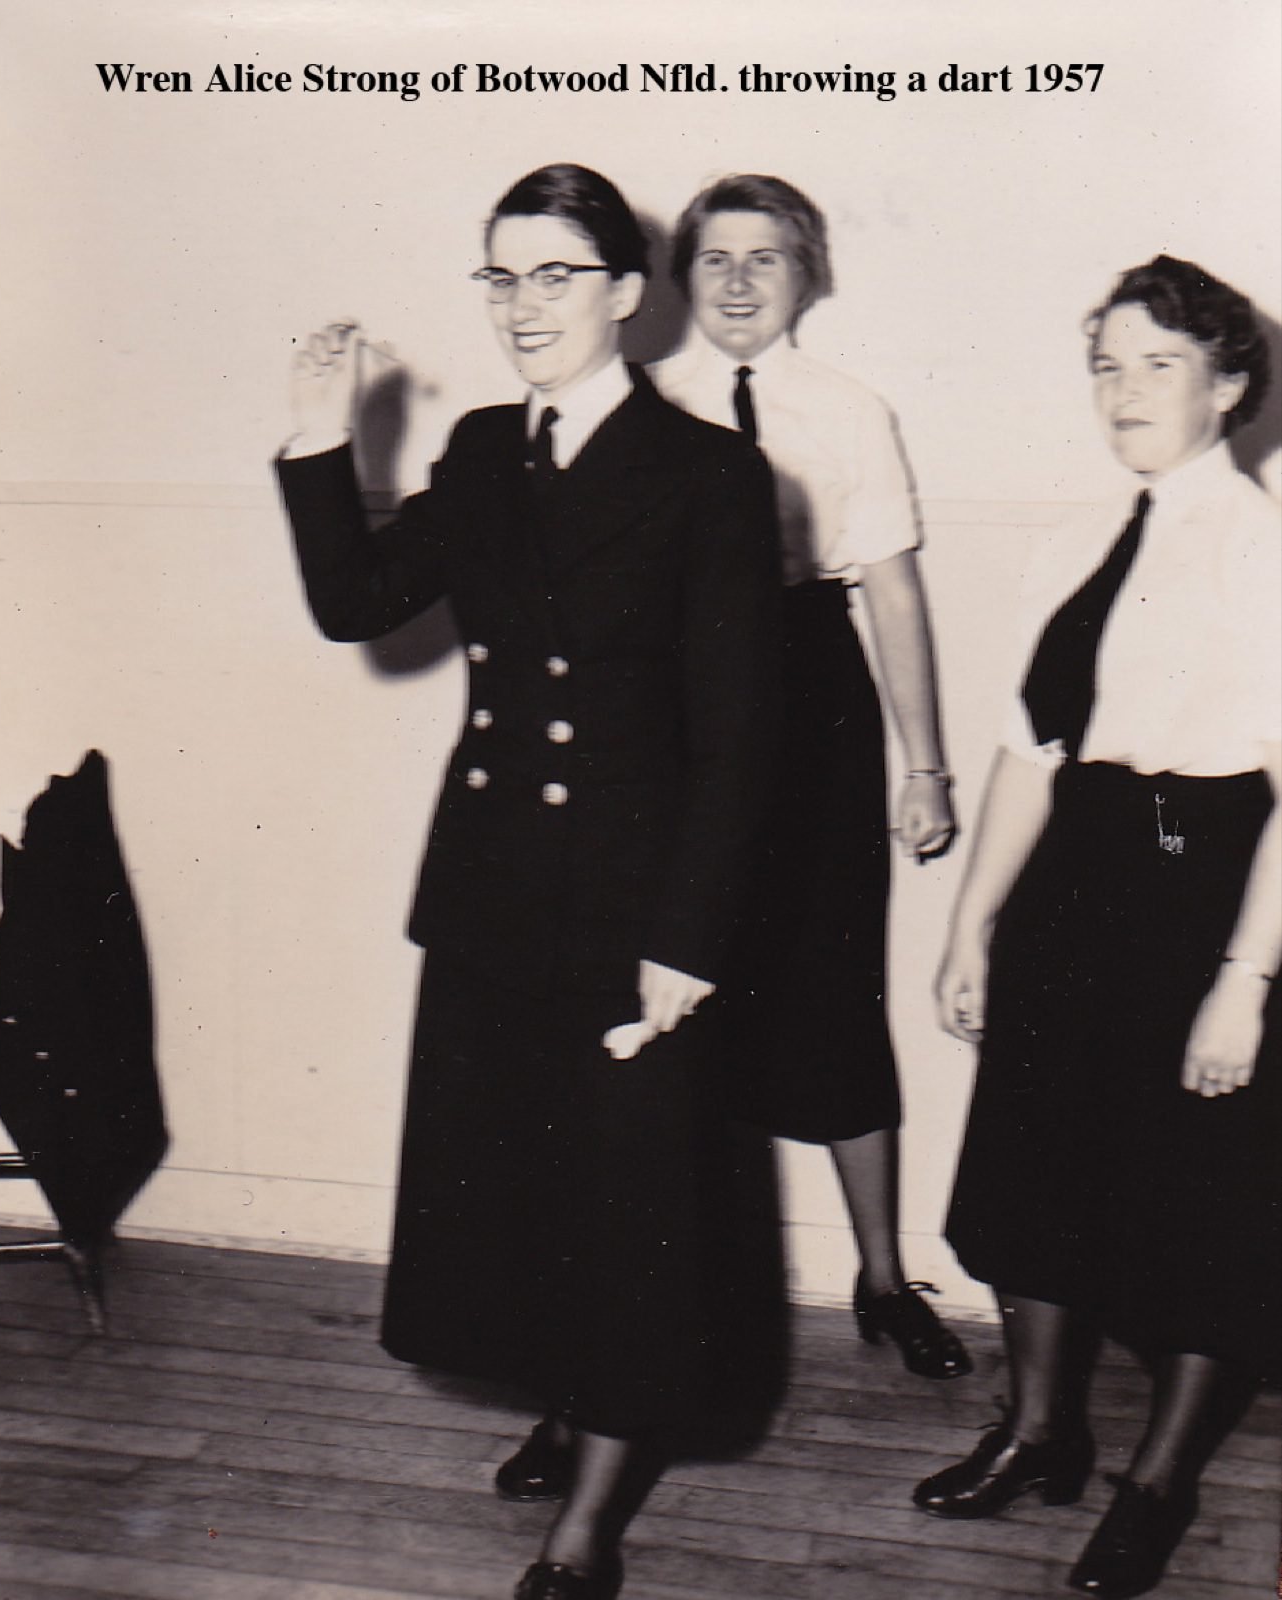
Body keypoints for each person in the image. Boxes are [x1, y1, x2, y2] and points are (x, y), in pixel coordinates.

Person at [274, 164, 782, 1600]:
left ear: (627, 293)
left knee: (630, 1211)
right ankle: (568, 1404)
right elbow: (357, 605)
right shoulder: (487, 448)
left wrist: (688, 939)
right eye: (500, 277)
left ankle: (586, 1531)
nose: (521, 306)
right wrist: (319, 438)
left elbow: (741, 739)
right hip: (494, 892)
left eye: (555, 275)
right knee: (527, 1188)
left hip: (634, 909)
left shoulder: (710, 473)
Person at [915, 256, 1280, 1599]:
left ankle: (1156, 1483)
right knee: (1033, 1165)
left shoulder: (1266, 551)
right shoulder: (1071, 539)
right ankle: (1038, 1433)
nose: (1123, 392)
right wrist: (971, 924)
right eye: (1105, 366)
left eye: (1158, 366)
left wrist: (1243, 978)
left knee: (1202, 1198)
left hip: (1205, 871)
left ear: (1226, 387)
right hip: (1076, 877)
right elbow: (1030, 751)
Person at [652, 174, 970, 1380]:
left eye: (766, 258)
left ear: (807, 276)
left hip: (813, 699)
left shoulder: (847, 409)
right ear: (679, 277)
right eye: (715, 257)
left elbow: (891, 592)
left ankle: (882, 1278)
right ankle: (652, 1305)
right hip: (678, 705)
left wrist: (923, 765)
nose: (738, 281)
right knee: (670, 1004)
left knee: (832, 992)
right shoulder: (640, 406)